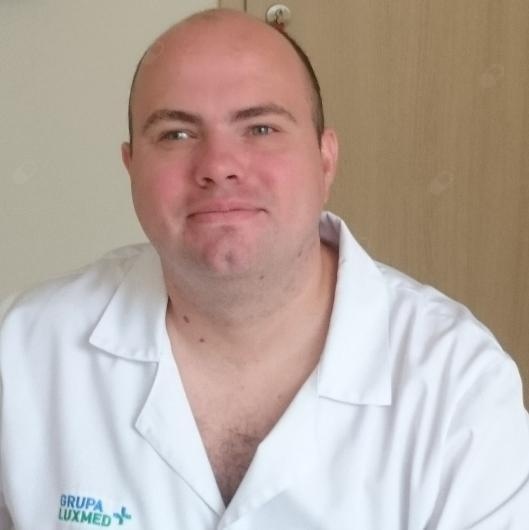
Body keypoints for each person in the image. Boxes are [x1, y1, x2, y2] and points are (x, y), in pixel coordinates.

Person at [1, 8, 528, 529]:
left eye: (260, 127)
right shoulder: (23, 352)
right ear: (131, 166)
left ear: (325, 160)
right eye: (176, 134)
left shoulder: (458, 383)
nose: (218, 166)